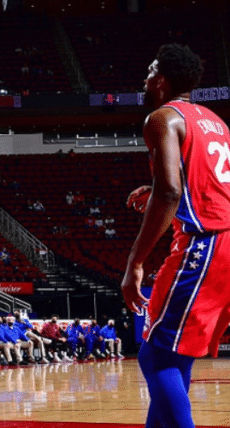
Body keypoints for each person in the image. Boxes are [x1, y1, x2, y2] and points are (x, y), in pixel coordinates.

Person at [121, 43, 230, 428]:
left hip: (205, 241)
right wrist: (158, 190)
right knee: (175, 355)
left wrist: (134, 263)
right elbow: (207, 184)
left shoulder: (162, 118)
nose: (145, 78)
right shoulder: (215, 121)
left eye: (151, 70)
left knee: (155, 357)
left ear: (162, 80)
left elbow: (170, 191)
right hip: (224, 240)